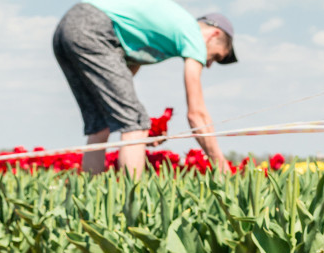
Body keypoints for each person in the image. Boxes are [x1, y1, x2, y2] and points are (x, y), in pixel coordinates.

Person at [53, 1, 237, 176]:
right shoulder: (194, 35)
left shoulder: (164, 31)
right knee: (135, 124)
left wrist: (147, 132)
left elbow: (118, 89)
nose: (210, 64)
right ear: (214, 34)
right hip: (95, 29)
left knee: (100, 125)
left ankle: (93, 201)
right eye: (217, 56)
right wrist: (219, 163)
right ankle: (132, 205)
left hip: (68, 28)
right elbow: (196, 115)